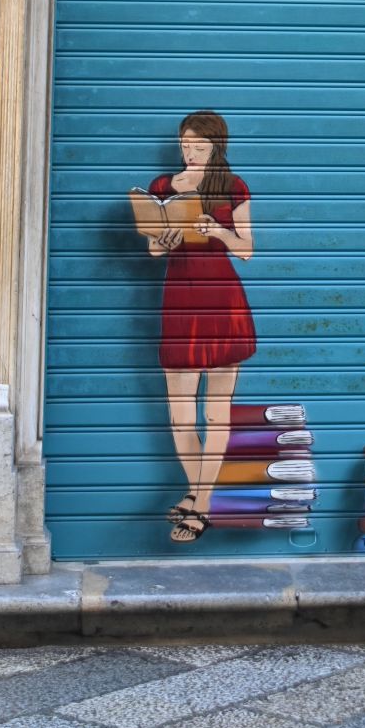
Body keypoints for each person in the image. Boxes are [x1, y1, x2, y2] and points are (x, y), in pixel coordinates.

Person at [146, 110, 256, 543]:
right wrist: (163, 240)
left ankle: (202, 505)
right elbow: (154, 251)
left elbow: (246, 250)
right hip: (180, 302)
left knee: (215, 412)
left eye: (199, 145)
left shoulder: (233, 186)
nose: (190, 151)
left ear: (216, 146)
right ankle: (196, 493)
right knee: (180, 414)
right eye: (185, 144)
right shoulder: (162, 187)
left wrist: (220, 232)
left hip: (222, 301)